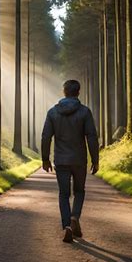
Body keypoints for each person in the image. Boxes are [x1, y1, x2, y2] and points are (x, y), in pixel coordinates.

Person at [41, 80, 99, 243]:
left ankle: (67, 226)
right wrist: (95, 160)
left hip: (61, 160)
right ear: (78, 92)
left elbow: (46, 136)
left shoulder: (53, 112)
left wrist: (45, 159)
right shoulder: (85, 112)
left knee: (64, 194)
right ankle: (75, 216)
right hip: (79, 160)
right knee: (79, 191)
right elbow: (92, 137)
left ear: (64, 92)